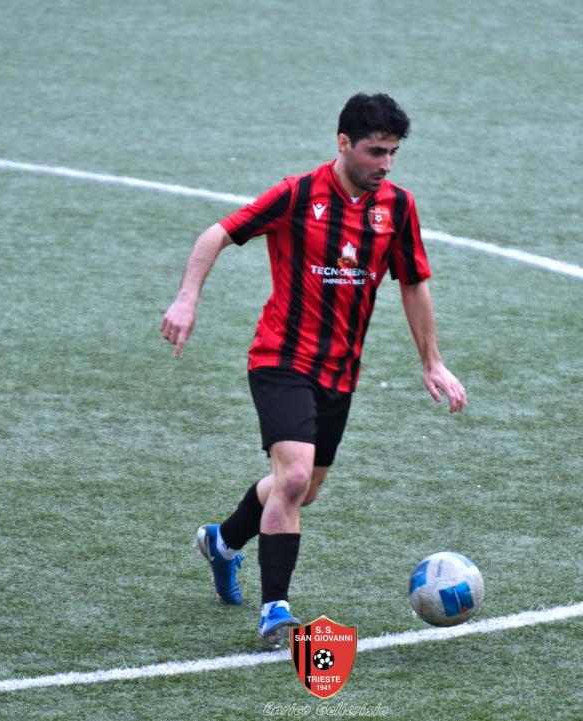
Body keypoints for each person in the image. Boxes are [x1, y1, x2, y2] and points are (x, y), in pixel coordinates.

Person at [161, 93, 467, 647]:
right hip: (280, 358)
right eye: (375, 151)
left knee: (304, 490)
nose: (385, 164)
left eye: (393, 153)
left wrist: (433, 362)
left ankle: (222, 542)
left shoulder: (398, 207)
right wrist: (187, 298)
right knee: (295, 477)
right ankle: (275, 610)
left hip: (340, 372)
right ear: (343, 143)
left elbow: (413, 283)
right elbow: (217, 234)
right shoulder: (298, 194)